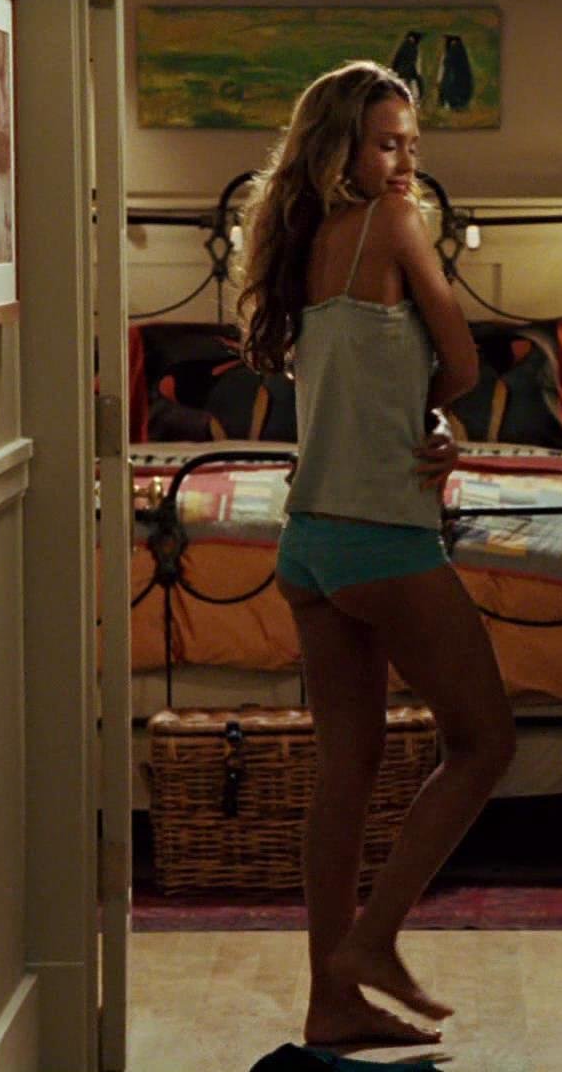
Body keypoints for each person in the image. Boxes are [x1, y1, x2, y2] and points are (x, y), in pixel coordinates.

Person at [235, 60, 516, 1049]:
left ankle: (332, 1002)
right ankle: (375, 941)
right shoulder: (395, 226)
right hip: (381, 535)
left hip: (308, 543)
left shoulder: (299, 244)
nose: (405, 164)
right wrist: (441, 411)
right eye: (387, 143)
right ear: (339, 148)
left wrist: (419, 419)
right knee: (484, 743)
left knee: (345, 773)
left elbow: (370, 381)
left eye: (412, 146)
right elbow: (464, 360)